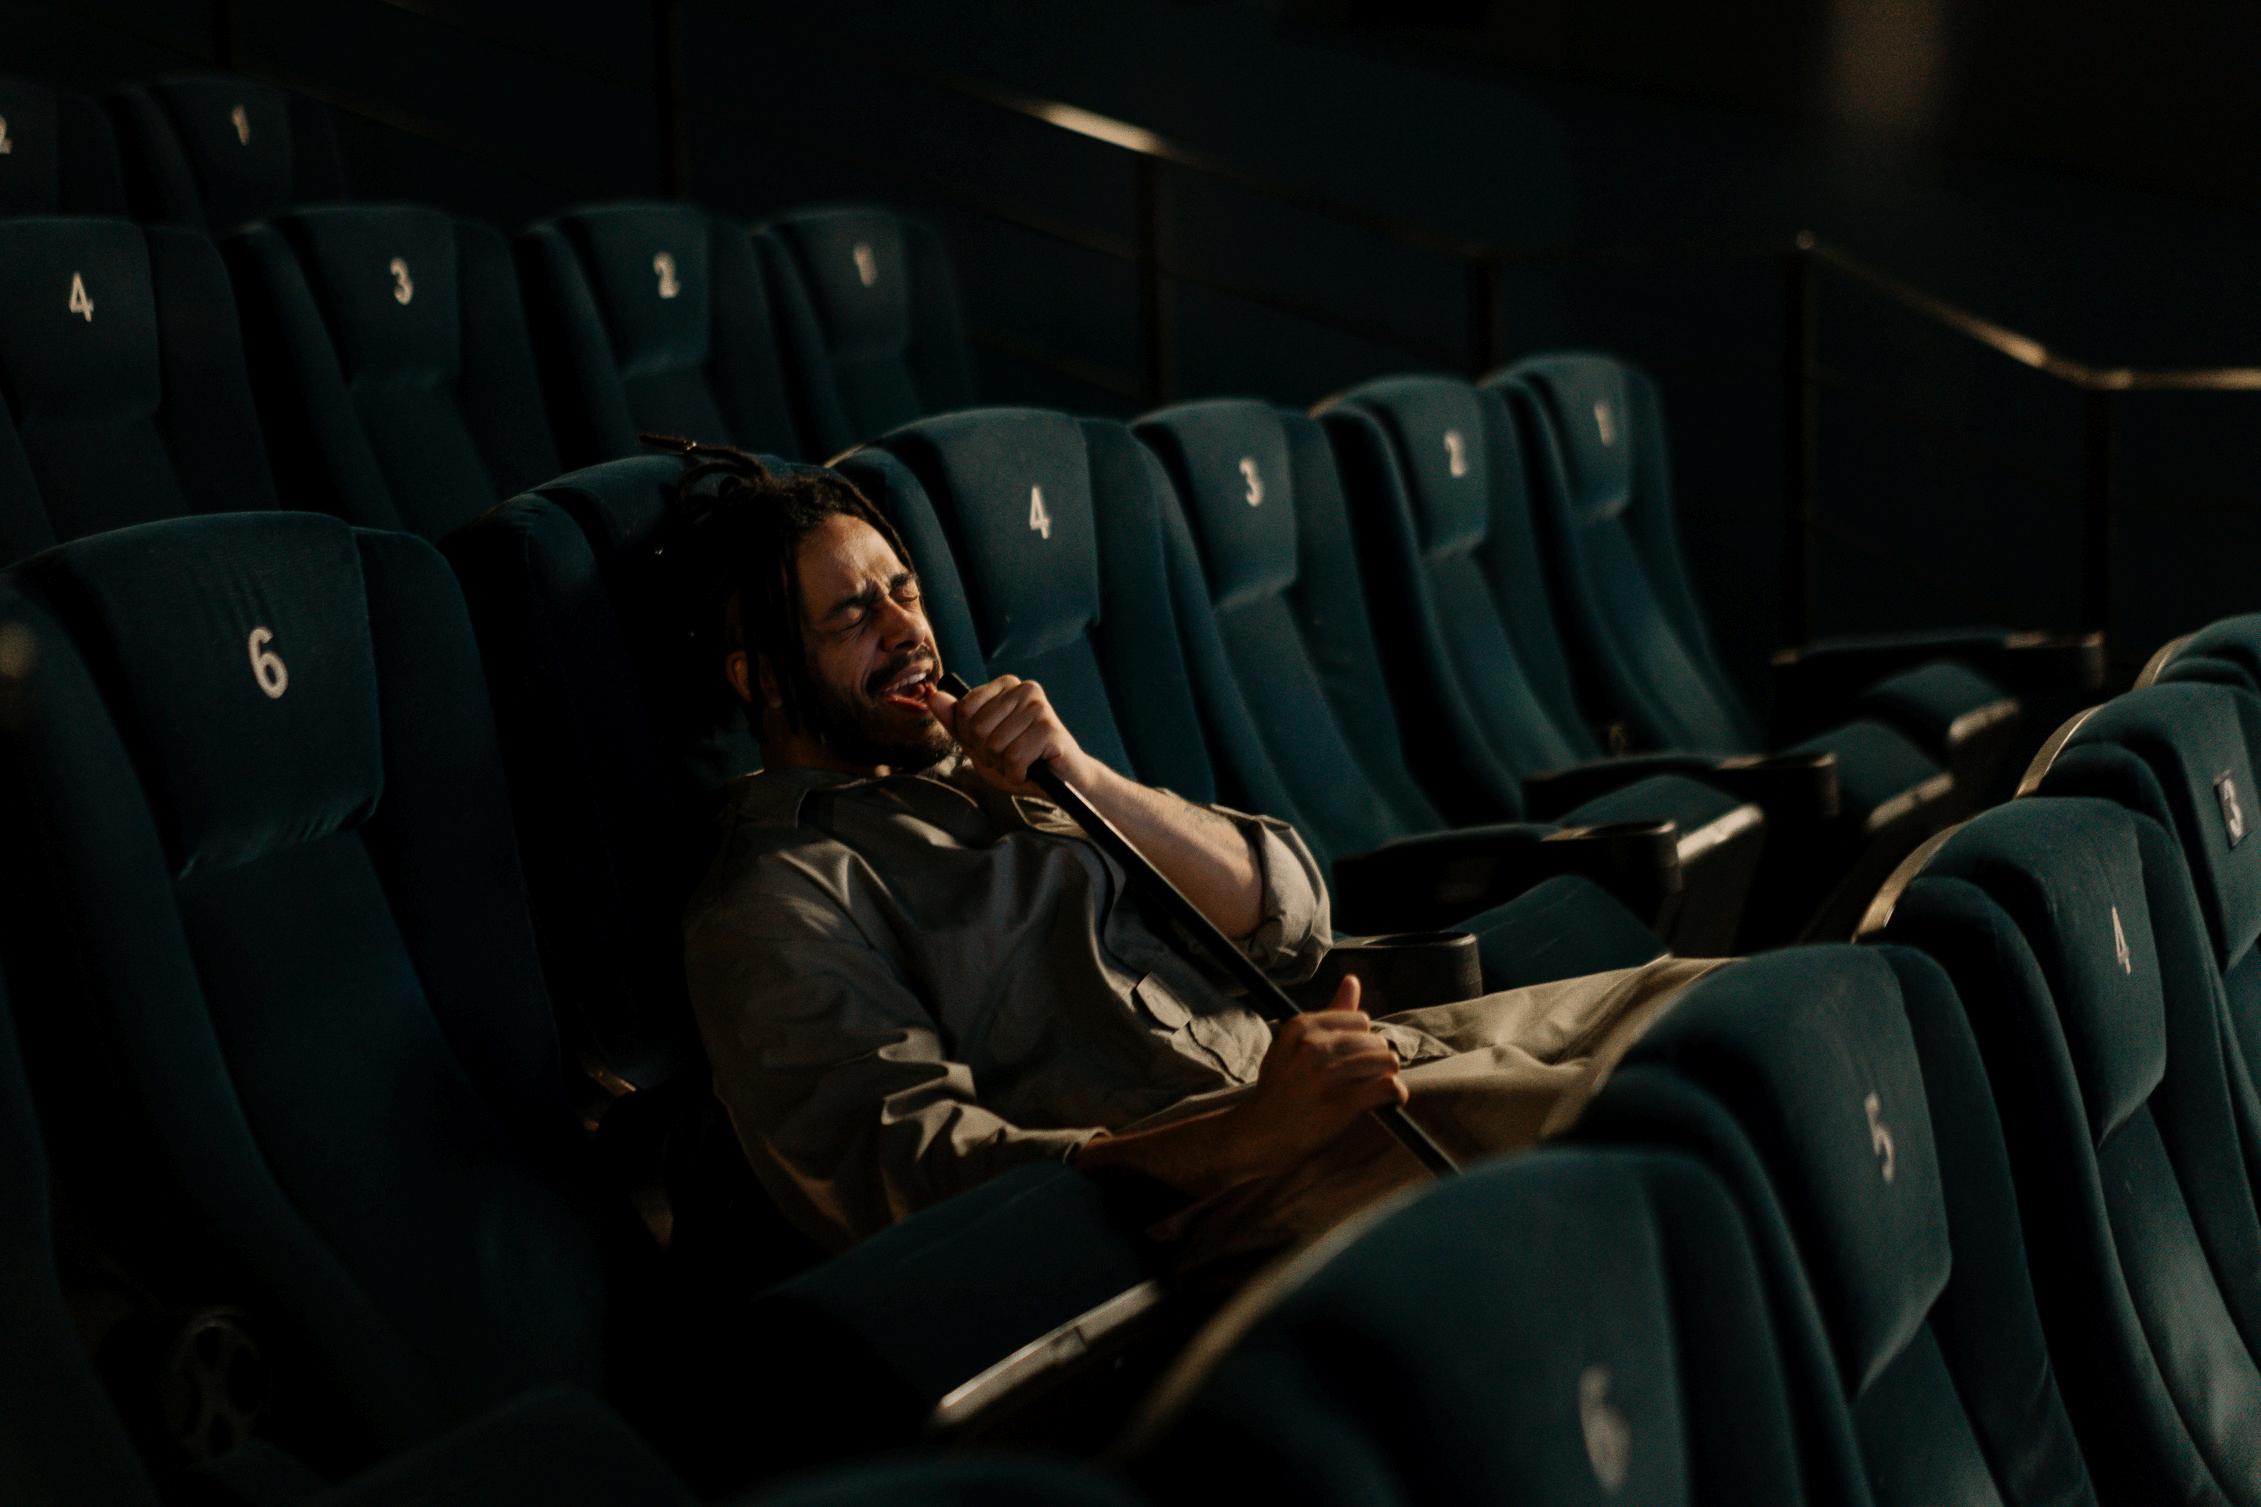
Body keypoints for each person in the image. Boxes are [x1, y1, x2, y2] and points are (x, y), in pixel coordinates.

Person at [679, 448, 1721, 1264]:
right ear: (759, 679)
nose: (905, 628)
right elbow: (915, 1179)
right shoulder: (777, 896)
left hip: (1333, 1062)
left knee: (1715, 1013)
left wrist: (1081, 775)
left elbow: (1289, 910)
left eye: (903, 590)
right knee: (1648, 1128)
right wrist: (1252, 1133)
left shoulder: (994, 761)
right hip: (1216, 1184)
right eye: (852, 615)